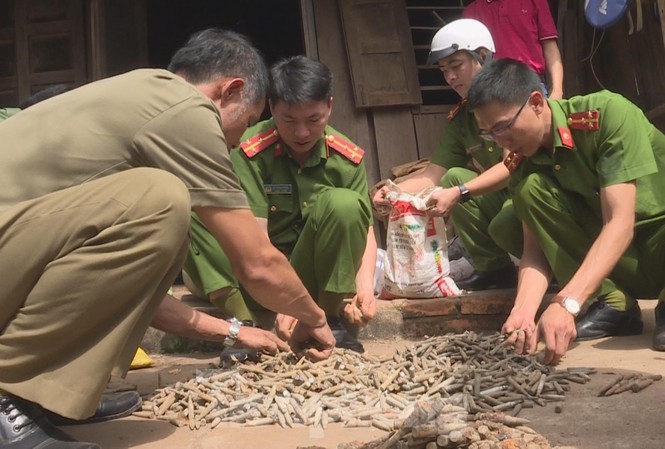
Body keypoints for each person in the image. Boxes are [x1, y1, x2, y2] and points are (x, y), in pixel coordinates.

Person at [0, 28, 336, 449]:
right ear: (229, 91)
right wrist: (314, 319)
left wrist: (234, 332)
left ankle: (42, 396)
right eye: (246, 123)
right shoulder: (185, 109)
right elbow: (257, 264)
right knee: (162, 200)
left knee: (160, 208)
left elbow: (111, 288)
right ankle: (6, 395)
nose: (236, 142)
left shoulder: (136, 94)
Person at [467, 58, 665, 365]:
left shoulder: (606, 115)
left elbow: (620, 222)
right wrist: (523, 311)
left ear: (535, 103)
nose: (500, 141)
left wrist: (566, 302)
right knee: (529, 193)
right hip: (625, 259)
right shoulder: (523, 160)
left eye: (504, 126)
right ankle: (613, 303)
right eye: (489, 133)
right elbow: (536, 249)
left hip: (656, 237)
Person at [184, 55, 377, 359]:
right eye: (289, 120)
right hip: (254, 273)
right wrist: (285, 301)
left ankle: (332, 318)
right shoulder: (247, 149)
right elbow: (254, 241)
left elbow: (365, 228)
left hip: (310, 274)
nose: (302, 133)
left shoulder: (347, 157)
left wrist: (365, 288)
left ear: (329, 105)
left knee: (346, 204)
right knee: (199, 208)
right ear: (271, 108)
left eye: (313, 120)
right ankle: (242, 323)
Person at [373, 18, 521, 291]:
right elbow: (433, 175)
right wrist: (392, 191)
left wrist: (461, 192)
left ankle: (553, 265)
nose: (450, 77)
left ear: (484, 56)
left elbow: (509, 166)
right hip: (503, 198)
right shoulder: (461, 118)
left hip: (532, 193)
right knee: (453, 177)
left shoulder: (512, 99)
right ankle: (496, 270)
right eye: (444, 70)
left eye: (456, 65)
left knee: (501, 219)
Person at [463, 0, 564, 99]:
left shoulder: (535, 1)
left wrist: (557, 90)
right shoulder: (471, 12)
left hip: (531, 85)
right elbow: (470, 61)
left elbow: (550, 48)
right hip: (491, 91)